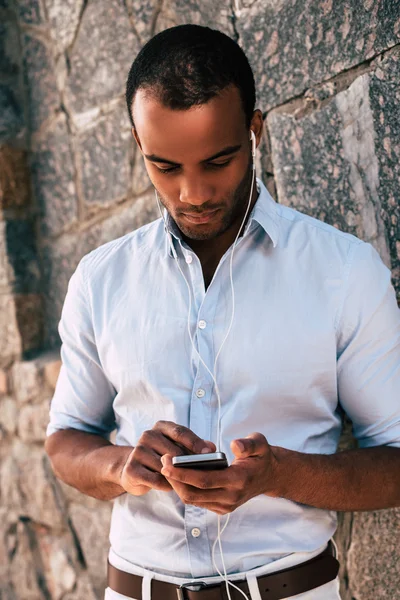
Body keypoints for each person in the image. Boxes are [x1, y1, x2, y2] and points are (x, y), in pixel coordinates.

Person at [44, 24, 400, 600]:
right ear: (138, 145)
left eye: (218, 160)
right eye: (165, 166)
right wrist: (120, 466)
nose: (193, 192)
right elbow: (65, 441)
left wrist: (280, 475)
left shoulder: (344, 272)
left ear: (255, 130)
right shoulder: (99, 280)